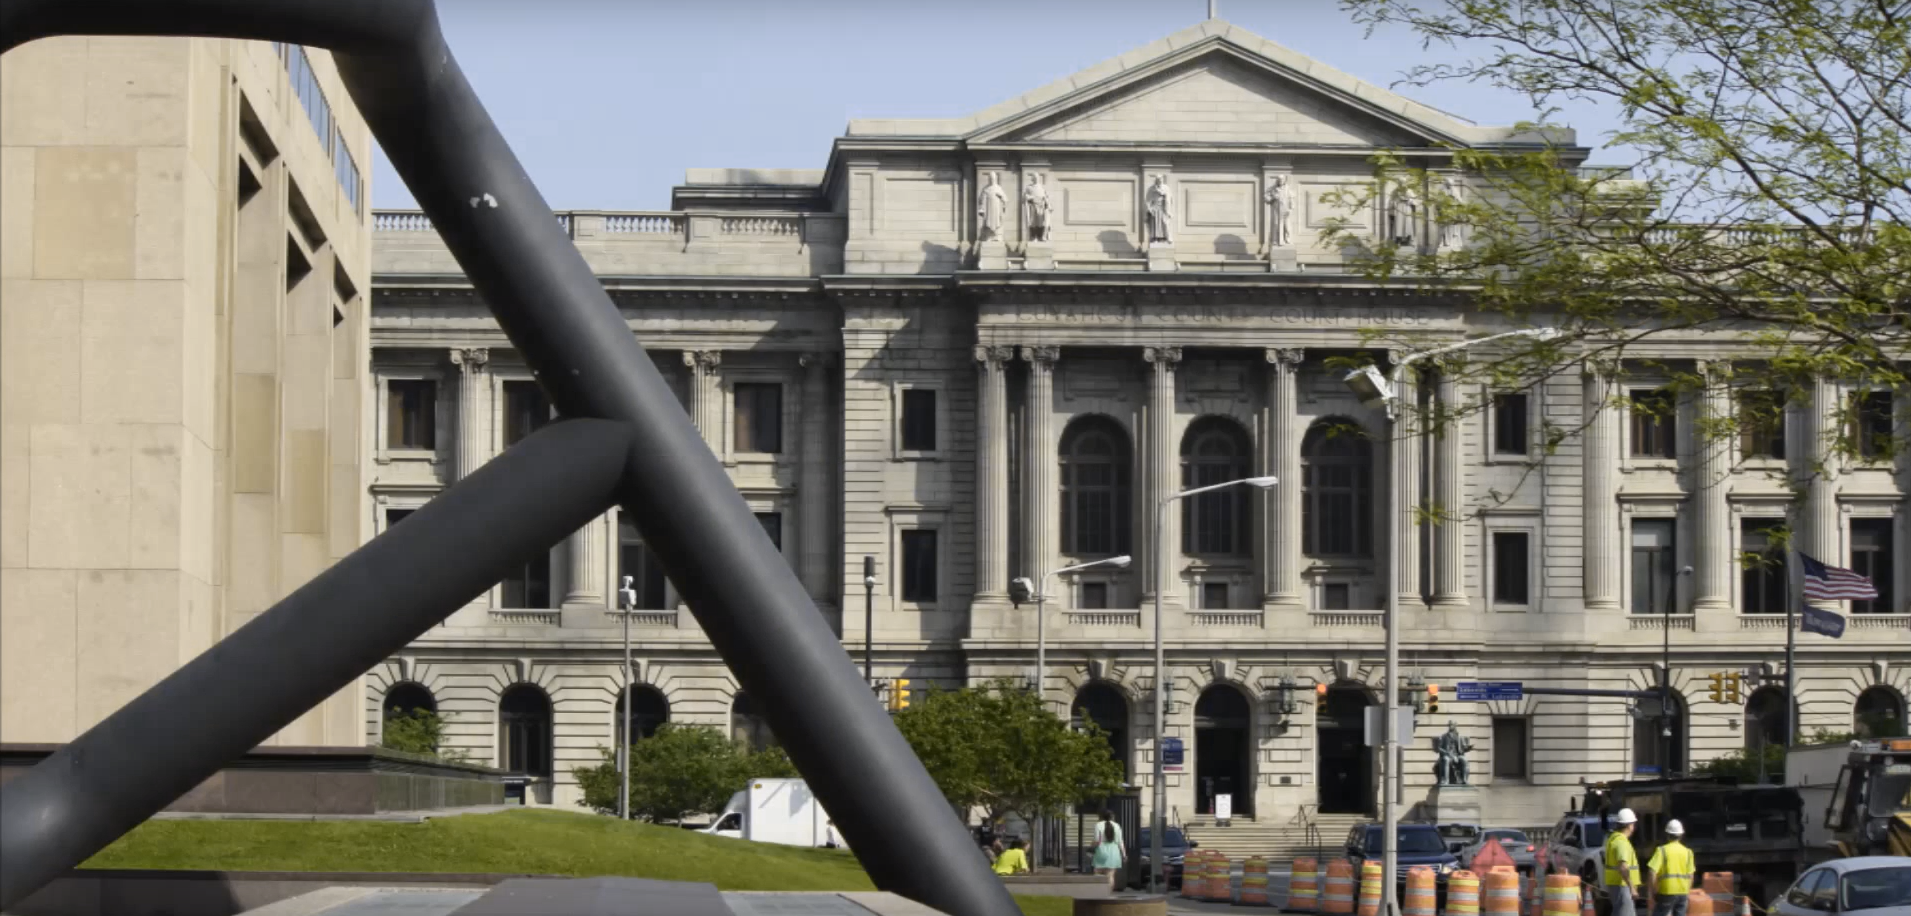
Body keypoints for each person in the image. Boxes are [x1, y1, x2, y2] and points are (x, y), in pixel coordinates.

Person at [1645, 819, 1696, 916]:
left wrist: (1654, 890)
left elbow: (1652, 872)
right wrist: (1687, 891)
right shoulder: (1688, 852)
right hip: (1682, 892)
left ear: (1667, 835)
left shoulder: (1661, 851)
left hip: (1666, 891)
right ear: (1681, 835)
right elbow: (1691, 875)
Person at [1603, 808, 1642, 916]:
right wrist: (1632, 887)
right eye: (1633, 824)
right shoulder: (1621, 842)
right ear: (1629, 825)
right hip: (1622, 886)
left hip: (1617, 885)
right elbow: (1623, 867)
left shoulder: (1613, 839)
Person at [1091, 810, 1125, 890]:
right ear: (1112, 817)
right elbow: (1120, 842)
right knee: (1110, 875)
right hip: (1114, 851)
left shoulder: (1098, 825)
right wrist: (1124, 854)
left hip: (1101, 850)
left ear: (1102, 817)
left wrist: (1091, 848)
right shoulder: (1117, 826)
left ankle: (1098, 892)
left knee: (1097, 872)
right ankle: (1108, 893)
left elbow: (1097, 840)